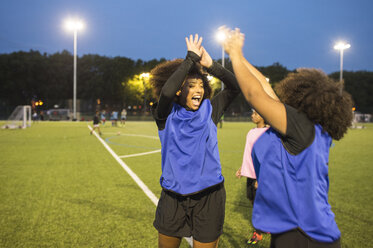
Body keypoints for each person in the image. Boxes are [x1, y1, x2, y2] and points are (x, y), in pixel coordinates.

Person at [221, 27, 353, 248]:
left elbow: (255, 94)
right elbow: (263, 84)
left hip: (304, 234)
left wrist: (234, 54)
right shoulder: (313, 129)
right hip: (308, 231)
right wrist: (241, 58)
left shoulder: (300, 126)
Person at [150, 34, 240, 248]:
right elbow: (166, 92)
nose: (198, 90)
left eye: (201, 85)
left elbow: (235, 87)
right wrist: (189, 59)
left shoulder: (210, 110)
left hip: (209, 196)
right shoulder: (165, 115)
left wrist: (211, 65)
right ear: (180, 90)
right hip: (173, 197)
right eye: (191, 85)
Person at [235, 109, 269, 246]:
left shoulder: (269, 133)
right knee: (251, 199)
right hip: (250, 174)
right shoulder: (251, 132)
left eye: (256, 113)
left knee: (258, 205)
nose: (252, 115)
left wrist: (261, 179)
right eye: (252, 113)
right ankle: (267, 224)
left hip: (261, 175)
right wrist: (242, 168)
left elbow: (268, 157)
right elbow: (248, 153)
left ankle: (258, 233)